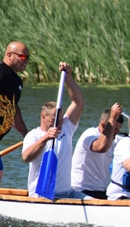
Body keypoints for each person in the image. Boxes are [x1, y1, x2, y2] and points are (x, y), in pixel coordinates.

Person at [22, 63, 85, 199]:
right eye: (56, 119)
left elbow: (78, 102)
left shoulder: (66, 127)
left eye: (62, 118)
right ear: (43, 117)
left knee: (94, 202)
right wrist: (45, 139)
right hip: (42, 193)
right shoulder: (33, 135)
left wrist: (68, 76)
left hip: (68, 192)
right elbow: (26, 158)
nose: (60, 122)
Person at [0, 41, 30, 193]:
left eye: (28, 58)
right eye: (22, 56)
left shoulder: (16, 81)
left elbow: (13, 108)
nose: (25, 60)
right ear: (9, 55)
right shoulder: (0, 73)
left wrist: (25, 133)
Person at [70, 103, 125, 199]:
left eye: (119, 129)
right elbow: (101, 147)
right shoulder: (89, 135)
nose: (117, 132)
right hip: (80, 190)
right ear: (104, 125)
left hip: (101, 191)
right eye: (115, 129)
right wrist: (112, 118)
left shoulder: (115, 139)